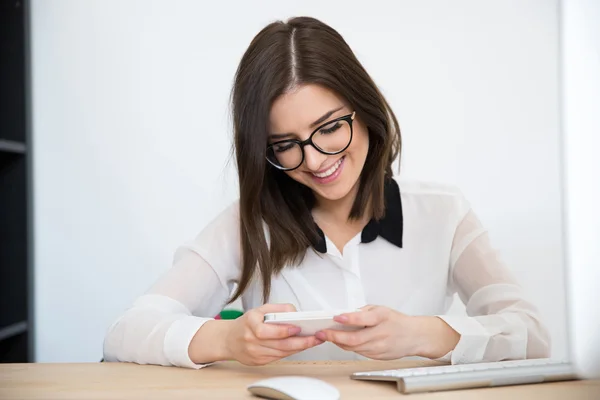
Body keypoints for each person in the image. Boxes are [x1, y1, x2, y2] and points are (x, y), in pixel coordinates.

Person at [103, 16, 550, 369]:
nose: (315, 161)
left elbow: (531, 333)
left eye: (330, 128)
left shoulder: (443, 213)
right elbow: (126, 332)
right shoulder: (247, 225)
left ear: (366, 110)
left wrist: (423, 335)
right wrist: (226, 340)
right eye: (285, 146)